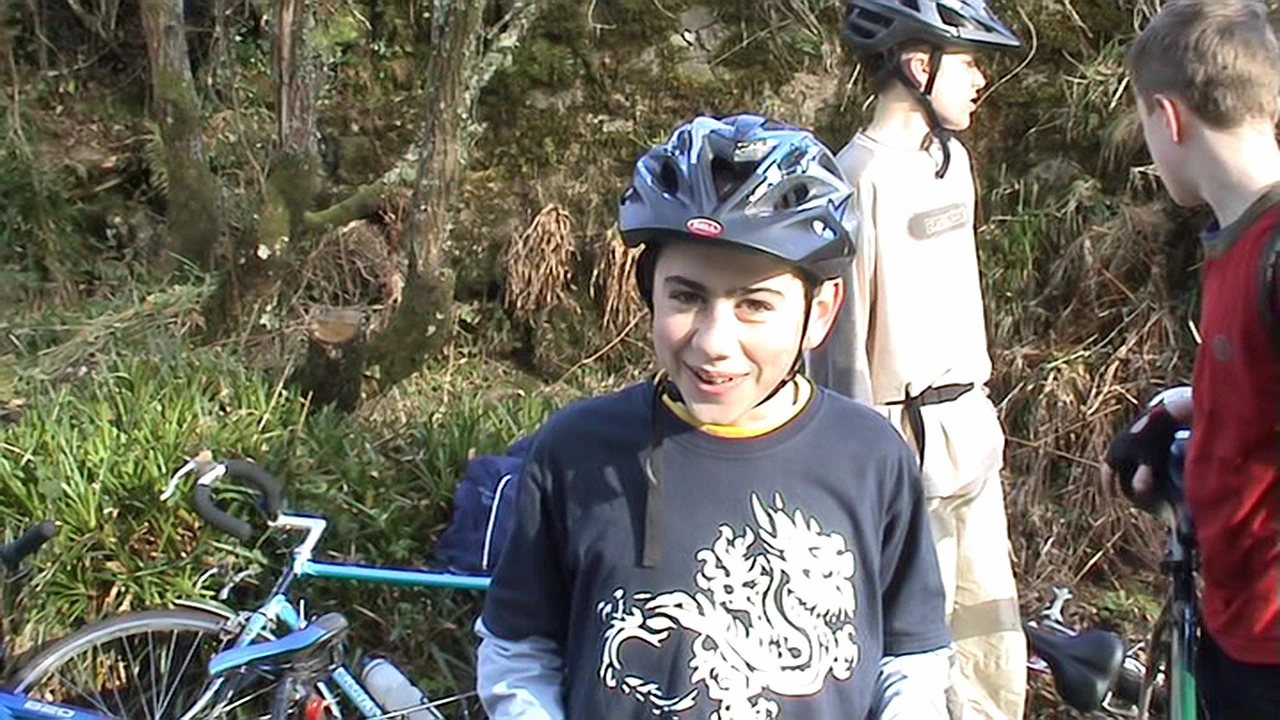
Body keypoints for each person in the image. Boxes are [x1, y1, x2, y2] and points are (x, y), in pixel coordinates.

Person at [474, 114, 953, 719]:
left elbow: (911, 657)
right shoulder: (577, 451)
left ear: (820, 311)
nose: (713, 342)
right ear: (649, 291)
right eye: (686, 296)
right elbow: (519, 649)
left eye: (755, 305)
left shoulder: (870, 456)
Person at [806, 1, 1026, 717]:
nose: (980, 80)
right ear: (918, 64)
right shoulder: (855, 179)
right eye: (968, 63)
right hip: (901, 450)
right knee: (914, 656)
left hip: (971, 437)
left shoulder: (953, 162)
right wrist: (861, 467)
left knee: (991, 642)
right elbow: (840, 347)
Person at [1104, 1, 1280, 717]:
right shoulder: (1239, 237)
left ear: (1169, 118)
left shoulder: (1274, 252)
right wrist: (1192, 411)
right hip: (1239, 628)